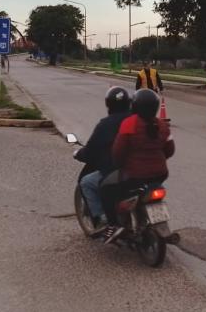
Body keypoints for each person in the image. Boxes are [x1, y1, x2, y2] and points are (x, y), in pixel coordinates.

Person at [99, 89, 175, 243]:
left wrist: (119, 165)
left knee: (105, 187)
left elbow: (118, 152)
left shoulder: (129, 124)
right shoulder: (163, 125)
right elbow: (170, 150)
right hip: (160, 173)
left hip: (134, 174)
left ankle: (112, 225)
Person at [74, 87, 132, 232]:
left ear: (108, 104)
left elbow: (91, 149)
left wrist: (79, 154)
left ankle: (103, 220)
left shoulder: (106, 124)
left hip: (119, 171)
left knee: (86, 182)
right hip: (141, 170)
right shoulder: (137, 120)